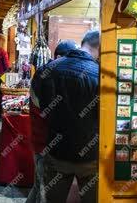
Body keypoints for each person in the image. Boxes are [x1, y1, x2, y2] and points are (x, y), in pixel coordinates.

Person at [35, 30, 100, 203]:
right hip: (90, 157)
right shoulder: (100, 75)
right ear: (100, 47)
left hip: (56, 152)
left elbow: (38, 105)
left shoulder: (47, 69)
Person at [27, 40, 78, 203]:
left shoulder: (48, 74)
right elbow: (45, 111)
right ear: (60, 57)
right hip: (45, 143)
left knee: (39, 186)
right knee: (44, 190)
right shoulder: (48, 77)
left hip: (42, 141)